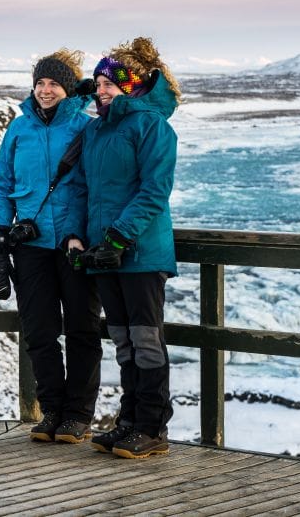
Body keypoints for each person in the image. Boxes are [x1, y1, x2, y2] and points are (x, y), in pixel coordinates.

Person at [66, 37, 180, 459]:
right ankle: (129, 421)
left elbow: (154, 191)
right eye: (96, 85)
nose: (101, 91)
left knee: (146, 339)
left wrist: (118, 237)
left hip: (139, 252)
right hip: (102, 253)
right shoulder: (95, 129)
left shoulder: (153, 127)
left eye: (109, 84)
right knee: (123, 340)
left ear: (131, 86)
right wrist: (78, 236)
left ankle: (152, 426)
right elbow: (83, 188)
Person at [0, 49, 102, 444]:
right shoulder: (18, 130)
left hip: (74, 243)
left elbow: (93, 187)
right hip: (31, 243)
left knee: (82, 328)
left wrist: (80, 232)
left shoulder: (86, 127)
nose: (45, 90)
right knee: (39, 329)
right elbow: (3, 184)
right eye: (39, 83)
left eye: (54, 83)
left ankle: (79, 415)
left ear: (68, 89)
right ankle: (52, 409)